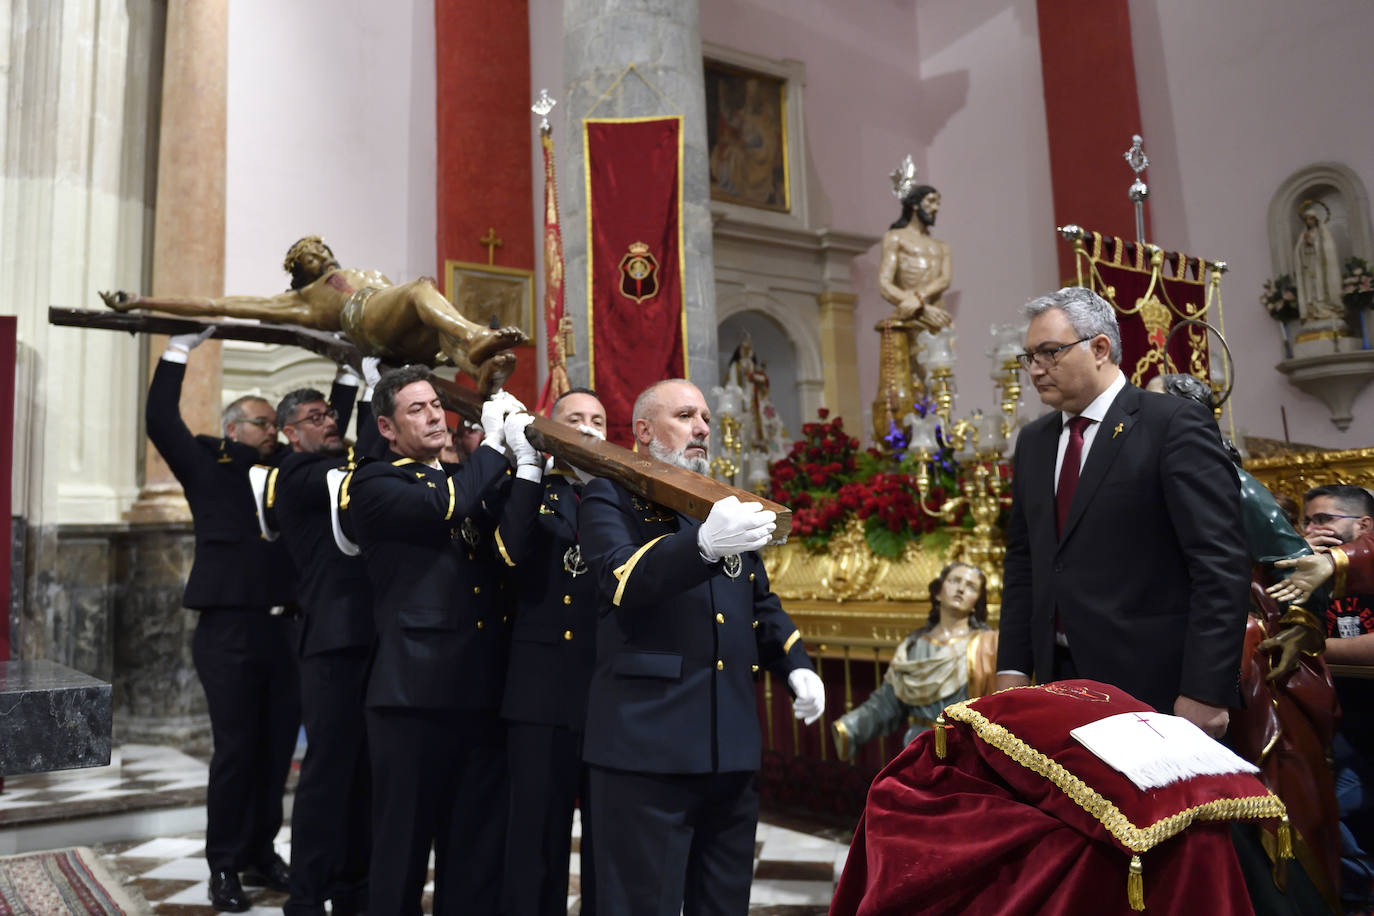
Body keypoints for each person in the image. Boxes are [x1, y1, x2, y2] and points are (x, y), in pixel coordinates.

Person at [578, 378, 827, 916]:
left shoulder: (722, 502)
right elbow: (622, 580)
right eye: (686, 415)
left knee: (724, 903)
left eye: (707, 419)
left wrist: (797, 666)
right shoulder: (610, 494)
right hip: (648, 743)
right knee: (643, 904)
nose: (702, 429)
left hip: (728, 742)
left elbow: (760, 601)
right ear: (644, 431)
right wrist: (703, 545)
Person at [995, 287, 1251, 738]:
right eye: (1029, 356)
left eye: (1050, 353)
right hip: (1058, 677)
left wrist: (1206, 689)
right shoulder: (1034, 442)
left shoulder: (1171, 424)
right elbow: (1024, 563)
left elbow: (1219, 564)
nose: (1035, 369)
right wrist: (1013, 667)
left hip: (1154, 679)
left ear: (1099, 348)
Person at [342, 366, 526, 915]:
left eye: (435, 405)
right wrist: (492, 445)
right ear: (387, 427)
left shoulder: (464, 477)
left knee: (473, 845)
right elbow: (443, 508)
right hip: (411, 692)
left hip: (478, 685)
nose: (433, 415)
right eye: (416, 409)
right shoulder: (375, 481)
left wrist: (523, 463)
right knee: (401, 844)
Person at [144, 329, 303, 912]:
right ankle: (225, 865)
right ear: (235, 428)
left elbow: (329, 429)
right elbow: (162, 420)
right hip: (228, 630)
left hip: (285, 628)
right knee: (237, 749)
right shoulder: (210, 469)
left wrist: (350, 371)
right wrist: (179, 351)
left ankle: (262, 851)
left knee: (278, 747)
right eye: (261, 423)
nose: (272, 431)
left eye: (274, 425)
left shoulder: (293, 473)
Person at [264, 366, 383, 916]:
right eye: (315, 418)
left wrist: (354, 383)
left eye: (330, 414)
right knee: (328, 774)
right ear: (291, 432)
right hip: (331, 641)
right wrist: (368, 393)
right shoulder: (297, 472)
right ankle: (307, 897)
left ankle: (353, 889)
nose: (328, 422)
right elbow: (361, 473)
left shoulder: (327, 459)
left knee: (364, 773)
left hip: (371, 637)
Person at [100, 235, 525, 388]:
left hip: (385, 316)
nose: (316, 252)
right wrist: (142, 301)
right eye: (305, 254)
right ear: (296, 271)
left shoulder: (357, 271)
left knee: (436, 330)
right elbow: (219, 305)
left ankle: (478, 370)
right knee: (420, 291)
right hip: (363, 317)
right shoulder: (300, 299)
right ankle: (474, 336)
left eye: (318, 246)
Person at [495, 386, 607, 916]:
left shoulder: (628, 499)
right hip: (541, 693)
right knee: (536, 835)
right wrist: (528, 469)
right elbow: (510, 550)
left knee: (610, 839)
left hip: (611, 692)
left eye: (598, 420)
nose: (588, 428)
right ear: (550, 432)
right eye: (574, 419)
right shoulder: (532, 489)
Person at [832, 562, 997, 760]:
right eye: (955, 581)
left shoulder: (989, 645)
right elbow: (887, 703)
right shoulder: (913, 646)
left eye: (971, 586)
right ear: (938, 593)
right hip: (918, 748)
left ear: (976, 602)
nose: (961, 588)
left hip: (968, 750)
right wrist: (849, 727)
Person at [877, 183, 953, 332]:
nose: (936, 208)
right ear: (915, 205)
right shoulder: (896, 238)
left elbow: (945, 279)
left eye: (938, 203)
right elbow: (884, 283)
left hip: (938, 314)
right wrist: (918, 306)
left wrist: (919, 298)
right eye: (930, 201)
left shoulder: (942, 246)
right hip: (910, 314)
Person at [1293, 202, 1347, 324]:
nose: (1309, 221)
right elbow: (1298, 252)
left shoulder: (1323, 233)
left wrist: (1314, 244)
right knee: (1311, 289)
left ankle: (1326, 310)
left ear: (1316, 219)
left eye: (1311, 219)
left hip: (1321, 267)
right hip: (1309, 266)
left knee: (1320, 287)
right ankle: (1313, 312)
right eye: (1306, 219)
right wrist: (1303, 246)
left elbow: (1329, 250)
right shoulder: (1303, 235)